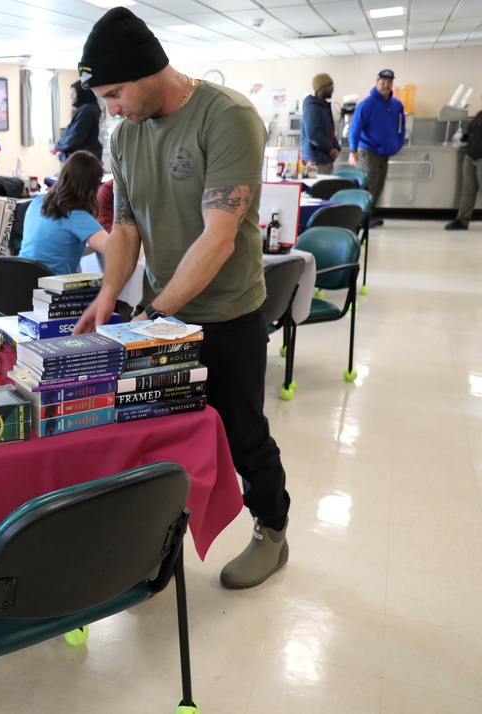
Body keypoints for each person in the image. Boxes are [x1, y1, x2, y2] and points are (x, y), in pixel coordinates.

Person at [74, 6, 291, 590]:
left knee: (242, 432)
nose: (111, 108)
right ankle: (159, 545)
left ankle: (272, 530)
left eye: (115, 93)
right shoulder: (123, 135)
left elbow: (218, 237)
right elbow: (125, 229)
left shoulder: (227, 118)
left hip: (226, 314)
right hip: (159, 313)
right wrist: (110, 295)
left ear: (149, 72)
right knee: (158, 438)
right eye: (103, 97)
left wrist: (156, 310)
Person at [19, 150, 109, 275]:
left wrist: (93, 247)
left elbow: (56, 250)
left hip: (20, 279)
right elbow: (114, 250)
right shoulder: (76, 216)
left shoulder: (37, 202)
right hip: (52, 287)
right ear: (91, 186)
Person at [348, 69, 406, 227]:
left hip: (385, 153)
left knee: (379, 185)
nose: (386, 86)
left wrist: (398, 143)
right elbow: (355, 128)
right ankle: (360, 218)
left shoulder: (396, 105)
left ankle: (370, 215)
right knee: (369, 185)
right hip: (368, 151)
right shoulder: (367, 104)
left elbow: (401, 127)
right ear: (377, 83)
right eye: (383, 83)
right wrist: (353, 150)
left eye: (389, 83)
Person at [446, 110, 482, 230]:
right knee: (468, 190)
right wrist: (462, 137)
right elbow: (474, 133)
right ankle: (462, 220)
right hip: (471, 156)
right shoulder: (480, 115)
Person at [52, 80, 103, 163]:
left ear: (83, 93)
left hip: (82, 163)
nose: (71, 96)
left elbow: (75, 138)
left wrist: (57, 147)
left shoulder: (87, 110)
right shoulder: (89, 108)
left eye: (74, 93)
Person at [301, 73, 340, 175]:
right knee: (317, 190)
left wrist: (336, 147)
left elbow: (329, 132)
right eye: (330, 86)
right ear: (321, 88)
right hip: (315, 161)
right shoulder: (312, 107)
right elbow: (313, 134)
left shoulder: (323, 107)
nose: (332, 89)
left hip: (325, 160)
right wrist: (330, 148)